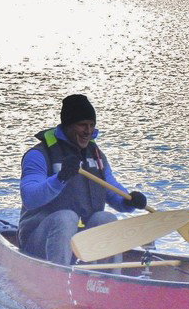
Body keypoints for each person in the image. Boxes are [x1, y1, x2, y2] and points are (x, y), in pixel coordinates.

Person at [18, 94, 147, 265]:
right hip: (37, 241)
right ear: (68, 125)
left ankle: (108, 277)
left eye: (92, 125)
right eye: (82, 125)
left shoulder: (96, 156)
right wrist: (60, 178)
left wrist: (129, 201)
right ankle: (59, 275)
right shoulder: (38, 154)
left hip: (78, 243)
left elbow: (111, 189)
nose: (88, 131)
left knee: (107, 219)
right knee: (66, 218)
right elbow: (30, 198)